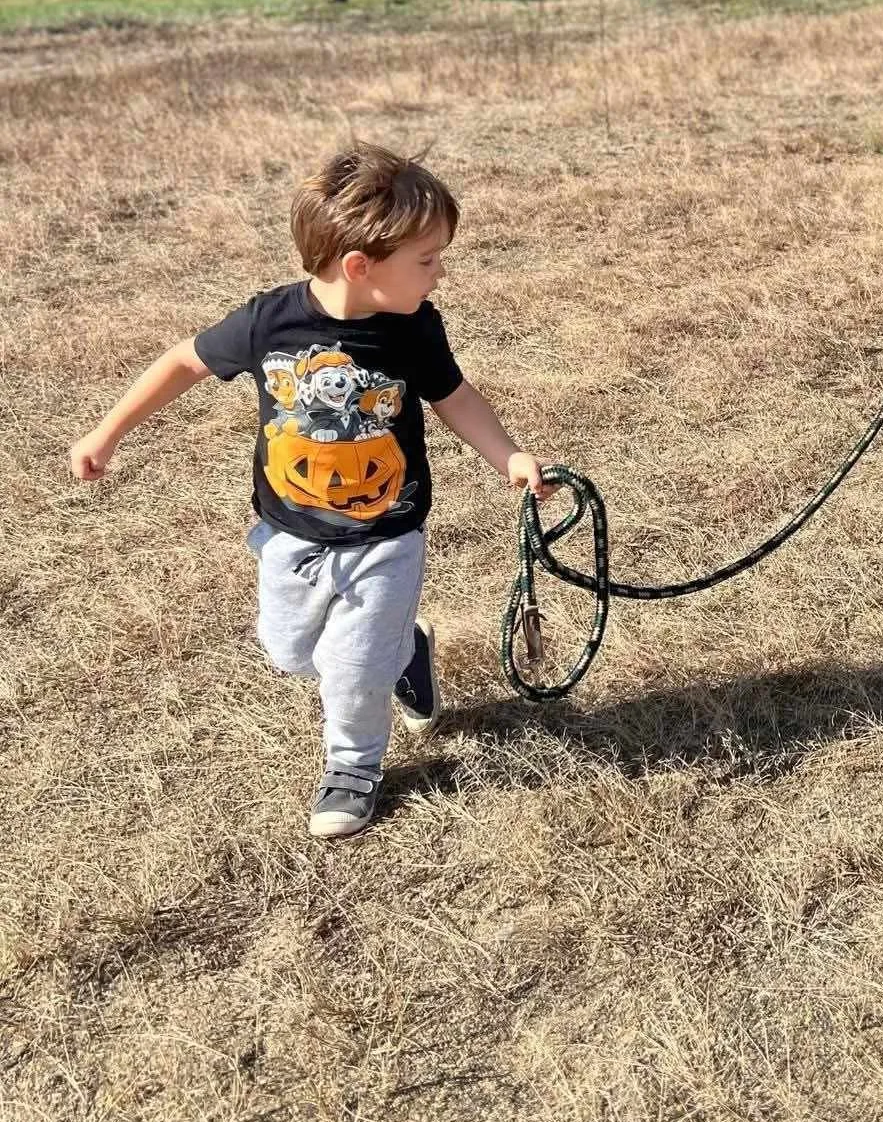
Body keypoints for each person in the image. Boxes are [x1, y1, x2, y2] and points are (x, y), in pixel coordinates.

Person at [68, 145, 552, 841]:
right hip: (291, 530)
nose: (440, 271)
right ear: (361, 266)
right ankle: (405, 652)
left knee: (350, 672)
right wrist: (106, 433)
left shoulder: (414, 326)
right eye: (427, 259)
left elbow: (454, 396)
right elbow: (183, 362)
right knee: (292, 651)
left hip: (387, 533)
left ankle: (352, 769)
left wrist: (508, 455)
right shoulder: (269, 324)